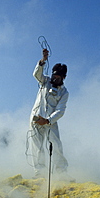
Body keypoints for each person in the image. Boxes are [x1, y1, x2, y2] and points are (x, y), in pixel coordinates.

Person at [29, 48, 69, 178]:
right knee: (37, 146)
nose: (54, 79)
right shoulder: (44, 81)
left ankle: (61, 173)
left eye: (57, 78)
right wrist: (42, 61)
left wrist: (47, 120)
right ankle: (39, 173)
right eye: (53, 76)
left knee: (56, 145)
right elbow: (36, 74)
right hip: (36, 119)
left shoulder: (64, 93)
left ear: (63, 77)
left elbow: (60, 110)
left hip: (50, 122)